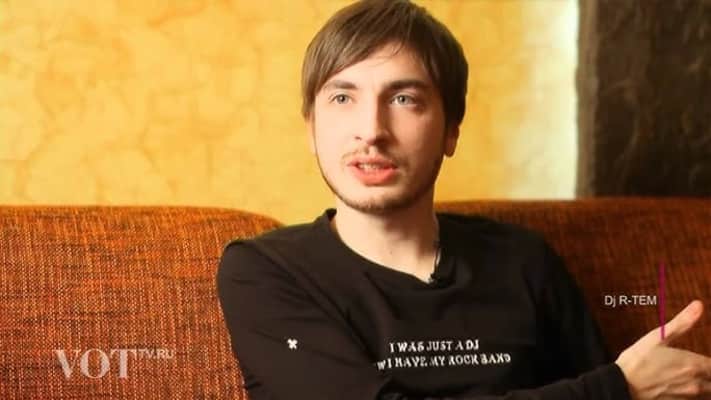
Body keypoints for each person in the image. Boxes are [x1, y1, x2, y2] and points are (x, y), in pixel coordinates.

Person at [216, 1, 711, 399]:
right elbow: (609, 389)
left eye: (404, 99)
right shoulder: (264, 272)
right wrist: (619, 387)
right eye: (342, 98)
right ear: (312, 128)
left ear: (451, 129)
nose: (371, 131)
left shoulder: (524, 260)